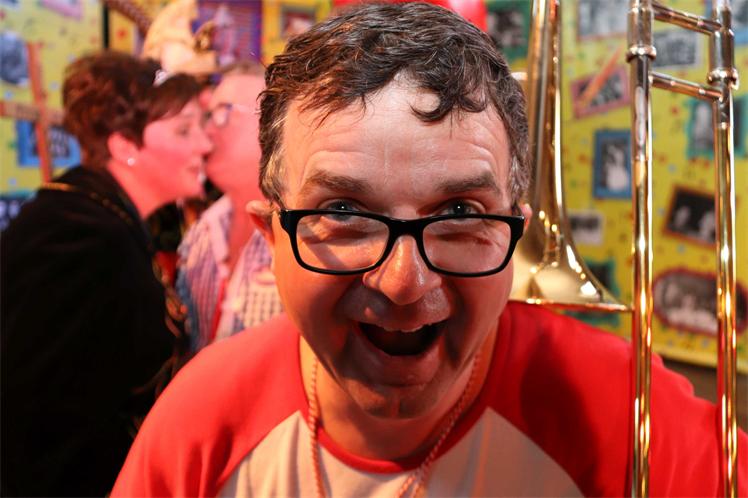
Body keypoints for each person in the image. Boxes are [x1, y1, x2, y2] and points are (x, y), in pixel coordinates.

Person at [112, 4, 748, 497]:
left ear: (514, 231)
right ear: (271, 236)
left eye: (460, 215)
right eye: (343, 213)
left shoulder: (624, 413)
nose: (403, 282)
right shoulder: (204, 420)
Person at [1, 51, 212, 497]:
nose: (204, 145)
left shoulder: (102, 218)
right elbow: (39, 421)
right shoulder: (76, 235)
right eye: (184, 130)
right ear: (124, 146)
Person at [177, 61, 283, 352]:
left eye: (222, 113)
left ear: (272, 124)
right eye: (208, 116)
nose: (207, 131)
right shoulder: (203, 231)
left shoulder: (298, 233)